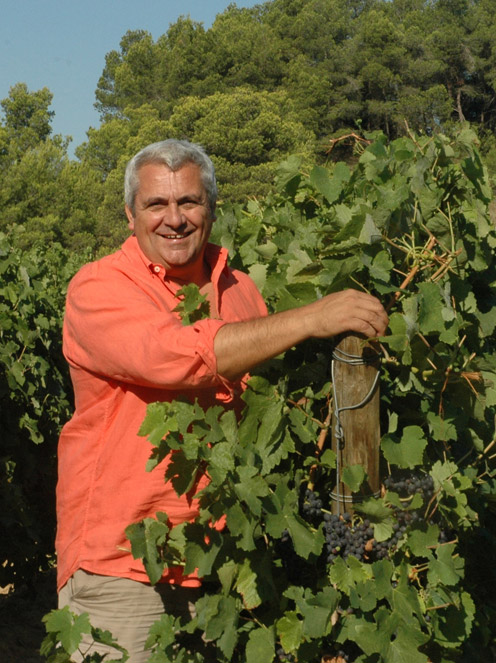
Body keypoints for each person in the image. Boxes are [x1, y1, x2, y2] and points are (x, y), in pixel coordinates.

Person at [56, 139, 388, 663]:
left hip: (230, 566)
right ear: (130, 215)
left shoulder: (240, 290)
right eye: (156, 205)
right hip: (123, 569)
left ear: (211, 207)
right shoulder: (99, 289)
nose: (175, 219)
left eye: (188, 202)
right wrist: (310, 317)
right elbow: (174, 355)